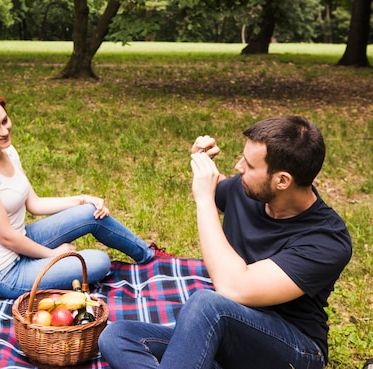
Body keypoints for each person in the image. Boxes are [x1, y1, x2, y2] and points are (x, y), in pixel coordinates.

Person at [98, 115, 352, 369]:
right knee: (118, 336)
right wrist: (201, 159)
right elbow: (218, 186)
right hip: (228, 331)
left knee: (207, 305)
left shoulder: (327, 239)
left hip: (294, 348)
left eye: (250, 165)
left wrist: (204, 201)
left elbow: (233, 288)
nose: (239, 166)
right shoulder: (249, 191)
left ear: (282, 181)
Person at [0, 88, 172, 299]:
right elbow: (6, 237)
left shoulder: (8, 152)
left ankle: (148, 256)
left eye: (4, 121)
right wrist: (54, 254)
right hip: (6, 273)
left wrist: (83, 199)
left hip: (23, 240)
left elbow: (35, 204)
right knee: (99, 262)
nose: (4, 131)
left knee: (89, 212)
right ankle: (47, 263)